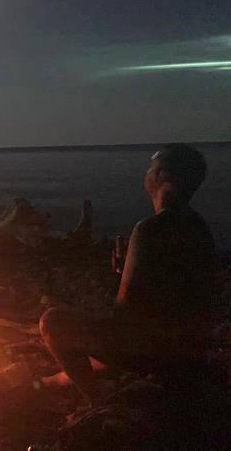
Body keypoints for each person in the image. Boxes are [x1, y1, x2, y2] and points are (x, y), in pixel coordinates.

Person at [39, 144, 220, 404]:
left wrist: (114, 292)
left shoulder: (149, 229)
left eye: (150, 168)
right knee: (108, 335)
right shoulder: (199, 227)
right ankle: (60, 380)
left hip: (157, 352)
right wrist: (127, 270)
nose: (146, 173)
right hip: (192, 347)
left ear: (162, 176)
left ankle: (98, 401)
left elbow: (125, 314)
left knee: (53, 322)